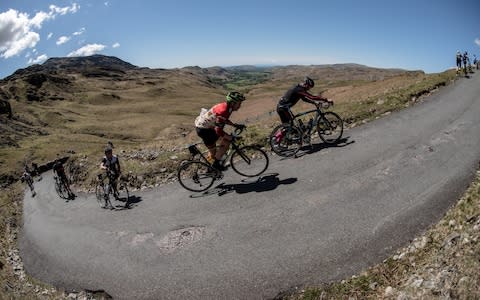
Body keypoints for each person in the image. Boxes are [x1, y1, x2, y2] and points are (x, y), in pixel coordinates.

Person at [194, 91, 246, 171]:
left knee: (214, 150)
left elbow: (224, 120)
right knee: (226, 142)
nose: (240, 106)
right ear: (232, 103)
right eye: (239, 103)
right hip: (204, 130)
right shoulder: (224, 110)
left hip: (205, 127)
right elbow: (218, 131)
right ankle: (215, 166)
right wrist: (230, 137)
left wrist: (235, 125)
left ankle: (210, 168)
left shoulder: (228, 108)